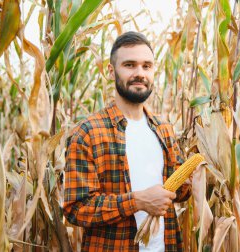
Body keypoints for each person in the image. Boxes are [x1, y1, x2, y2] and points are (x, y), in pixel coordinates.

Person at [63, 31, 191, 252]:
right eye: (130, 65)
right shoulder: (89, 133)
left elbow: (177, 193)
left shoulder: (164, 130)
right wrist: (138, 202)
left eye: (146, 66)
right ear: (112, 71)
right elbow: (76, 208)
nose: (139, 73)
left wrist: (193, 183)